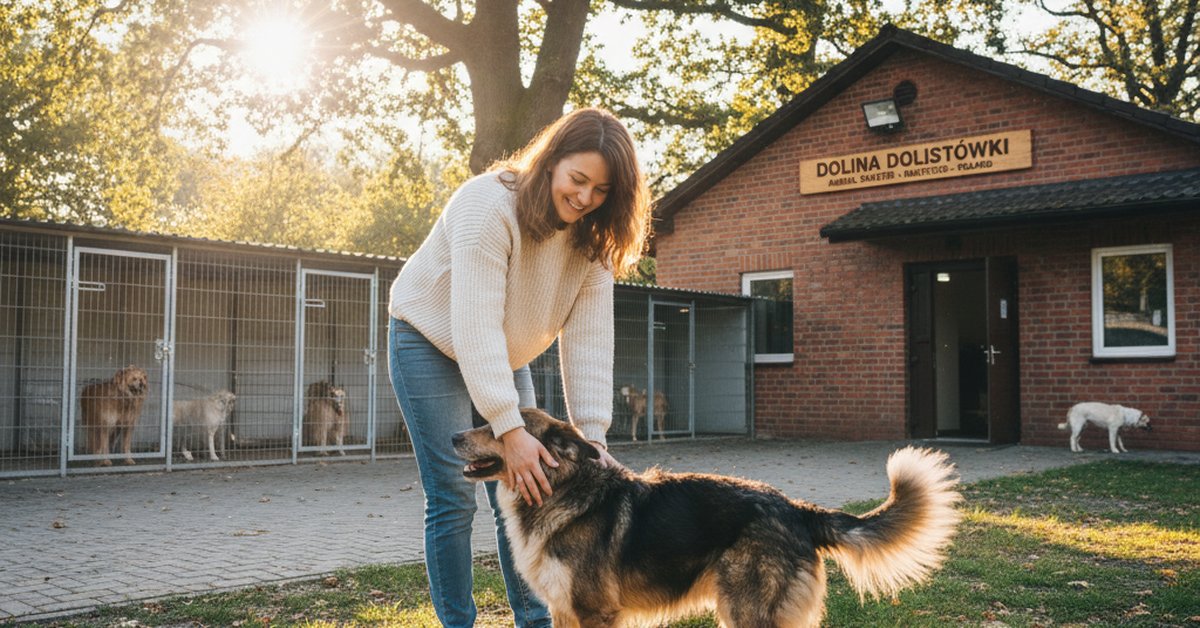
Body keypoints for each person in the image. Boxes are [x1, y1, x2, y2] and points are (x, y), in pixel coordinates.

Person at [387, 107, 651, 627]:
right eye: (578, 180)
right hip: (429, 338)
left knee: (529, 487)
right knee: (454, 496)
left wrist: (594, 440)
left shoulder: (595, 240)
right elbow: (474, 324)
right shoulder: (487, 204)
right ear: (551, 160)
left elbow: (590, 341)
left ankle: (535, 621)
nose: (584, 198)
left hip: (502, 354)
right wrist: (507, 426)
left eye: (601, 191)